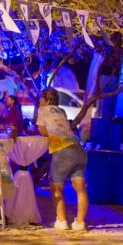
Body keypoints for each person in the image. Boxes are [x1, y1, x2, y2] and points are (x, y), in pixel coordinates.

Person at [37, 87, 89, 231]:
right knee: (80, 187)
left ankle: (61, 221)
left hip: (62, 150)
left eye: (41, 98)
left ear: (46, 100)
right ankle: (79, 222)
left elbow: (42, 131)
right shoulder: (62, 111)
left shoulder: (42, 110)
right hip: (77, 148)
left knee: (56, 188)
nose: (39, 101)